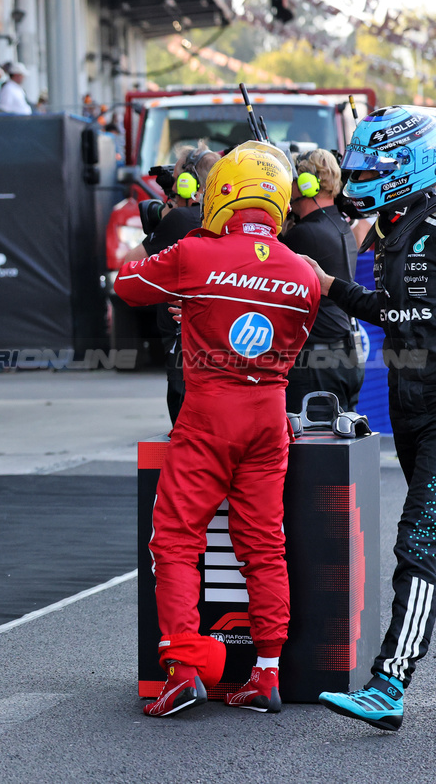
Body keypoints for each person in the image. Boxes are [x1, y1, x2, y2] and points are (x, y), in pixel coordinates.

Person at [309, 106, 436, 729]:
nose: (359, 176)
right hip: (412, 411)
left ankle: (389, 683)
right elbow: (396, 316)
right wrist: (329, 285)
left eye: (372, 165)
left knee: (419, 539)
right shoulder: (398, 234)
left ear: (409, 164)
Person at [115, 141, 320, 717]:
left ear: (219, 194)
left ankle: (184, 670)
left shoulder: (194, 254)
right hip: (269, 415)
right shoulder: (303, 273)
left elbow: (127, 285)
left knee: (177, 537)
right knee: (264, 545)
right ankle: (266, 674)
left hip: (208, 412)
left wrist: (189, 290)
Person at [121, 144, 218, 423]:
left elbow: (128, 268)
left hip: (185, 353)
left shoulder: (180, 218)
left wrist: (163, 221)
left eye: (176, 184)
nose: (172, 193)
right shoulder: (225, 218)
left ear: (190, 185)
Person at [281, 149, 363, 419]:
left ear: (306, 183)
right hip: (341, 355)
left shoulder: (305, 234)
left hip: (317, 365)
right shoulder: (339, 224)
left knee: (312, 452)